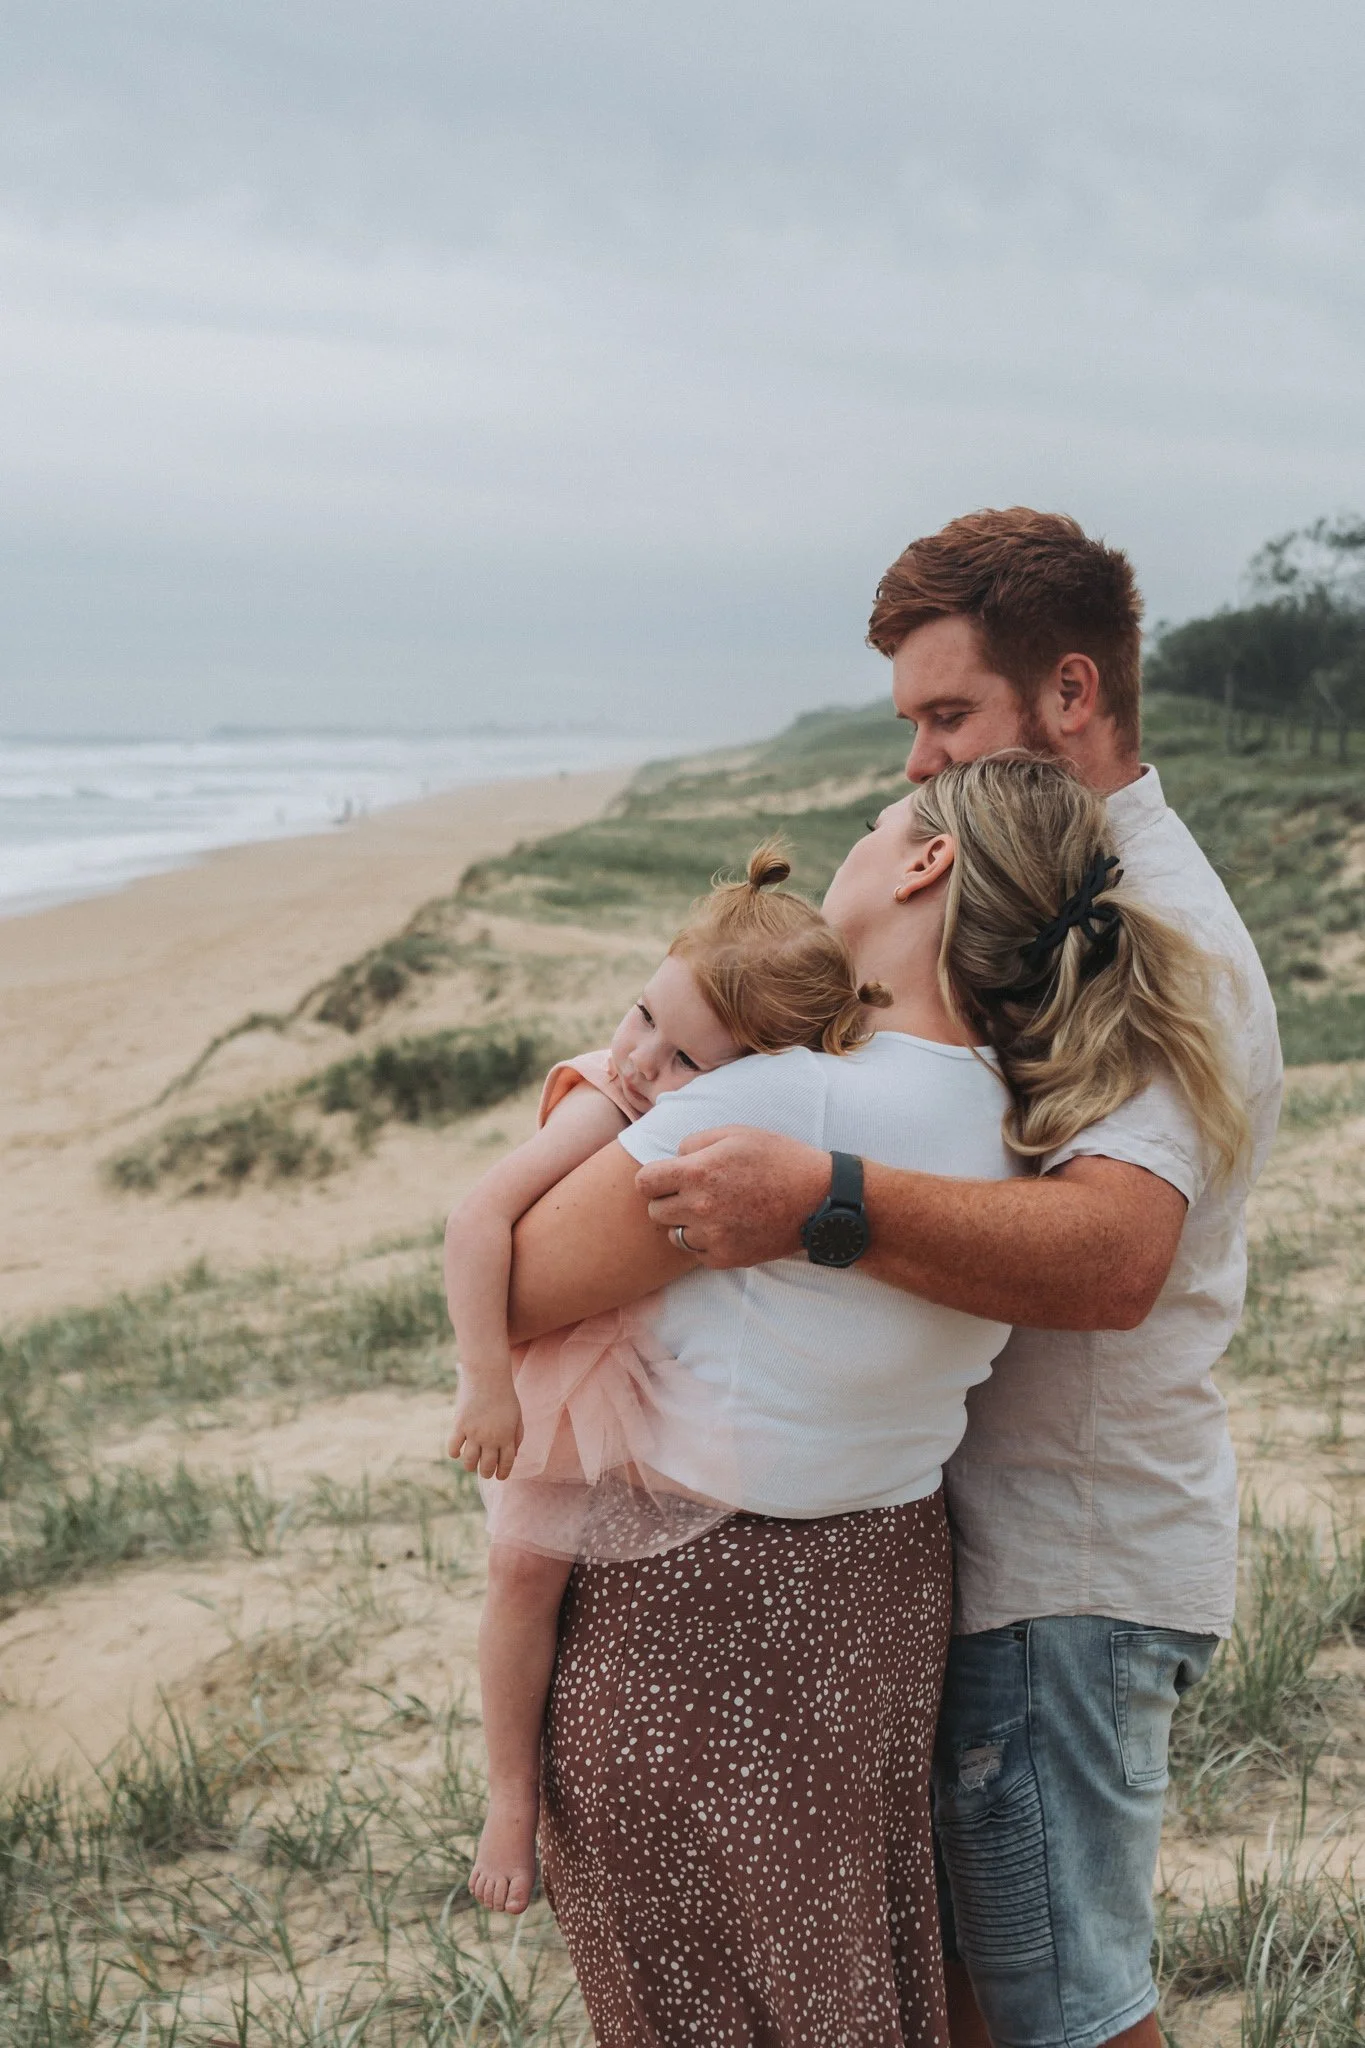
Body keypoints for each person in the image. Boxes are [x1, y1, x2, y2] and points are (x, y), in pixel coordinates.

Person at [506, 511, 1283, 2048]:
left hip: (1066, 1561)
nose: (917, 766)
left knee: (1059, 2010)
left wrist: (820, 1199)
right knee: (975, 2005)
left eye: (947, 718)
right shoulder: (1043, 918)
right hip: (963, 1550)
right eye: (909, 728)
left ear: (1071, 694)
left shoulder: (1150, 927)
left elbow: (1118, 1254)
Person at [446, 844, 892, 1916]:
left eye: (685, 1055)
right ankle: (510, 1794)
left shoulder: (756, 1106)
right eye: (643, 1011)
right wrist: (485, 1381)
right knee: (524, 1572)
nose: (642, 1055)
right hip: (561, 1369)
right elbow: (475, 1217)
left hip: (650, 1360)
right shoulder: (611, 1098)